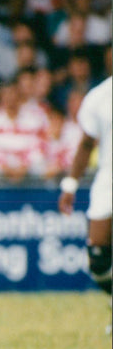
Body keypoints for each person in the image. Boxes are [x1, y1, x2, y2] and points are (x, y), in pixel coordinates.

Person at [57, 77, 112, 321]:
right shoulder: (99, 96)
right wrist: (70, 184)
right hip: (108, 180)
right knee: (98, 260)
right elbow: (87, 143)